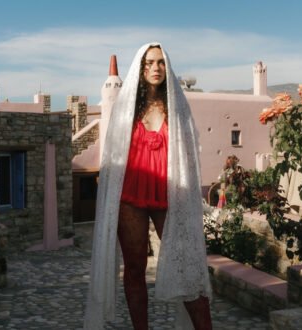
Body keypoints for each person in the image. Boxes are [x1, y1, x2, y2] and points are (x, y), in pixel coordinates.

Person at [84, 42, 212, 330]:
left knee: (186, 266)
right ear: (140, 70)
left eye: (160, 62)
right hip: (130, 197)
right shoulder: (126, 109)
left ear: (167, 66)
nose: (155, 68)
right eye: (149, 63)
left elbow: (188, 156)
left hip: (170, 196)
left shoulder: (178, 109)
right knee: (134, 269)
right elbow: (115, 155)